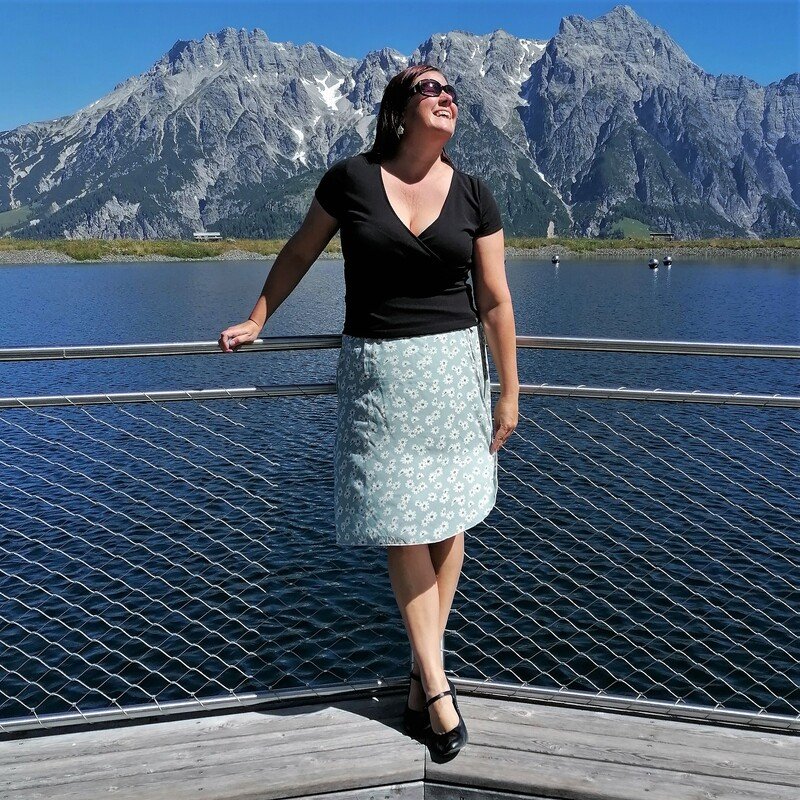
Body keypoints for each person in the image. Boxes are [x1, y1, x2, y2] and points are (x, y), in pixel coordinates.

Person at [219, 64, 519, 761]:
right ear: (398, 110)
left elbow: (496, 299)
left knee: (448, 517)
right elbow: (300, 250)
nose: (446, 96)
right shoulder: (351, 180)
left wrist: (509, 389)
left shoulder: (475, 193)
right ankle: (437, 687)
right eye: (430, 88)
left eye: (451, 91)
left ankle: (421, 679)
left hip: (454, 375)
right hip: (379, 376)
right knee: (400, 522)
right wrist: (259, 317)